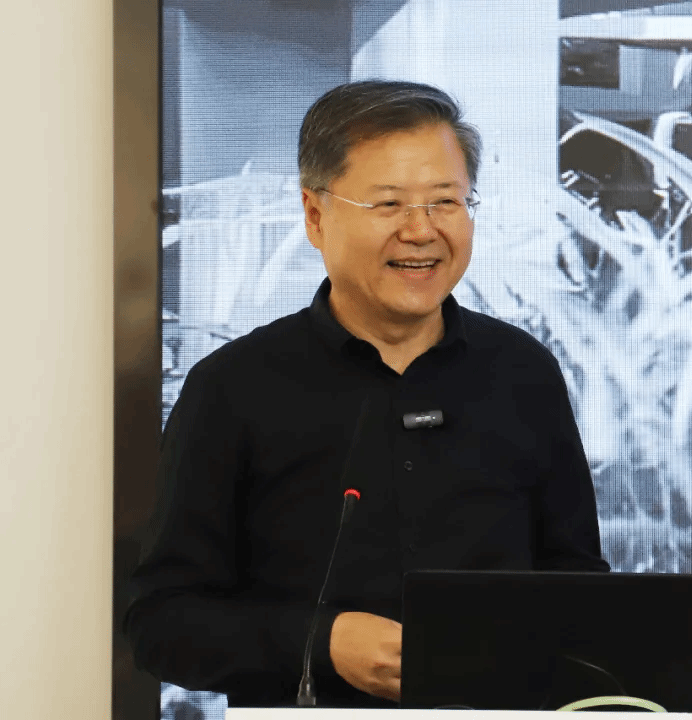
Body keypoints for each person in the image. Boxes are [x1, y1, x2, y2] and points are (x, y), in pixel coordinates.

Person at [124, 80, 610, 709]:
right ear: (315, 215)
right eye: (389, 204)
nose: (421, 230)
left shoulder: (523, 373)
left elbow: (578, 584)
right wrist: (321, 641)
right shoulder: (233, 387)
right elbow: (161, 622)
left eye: (446, 201)